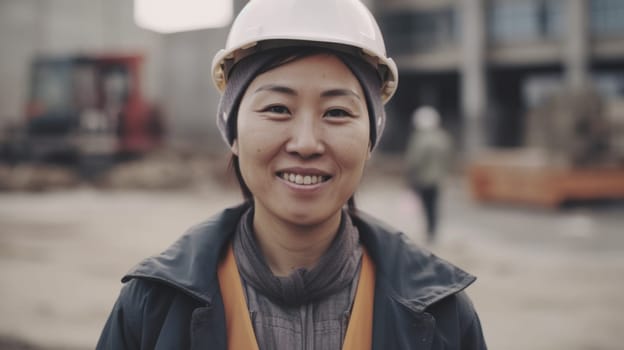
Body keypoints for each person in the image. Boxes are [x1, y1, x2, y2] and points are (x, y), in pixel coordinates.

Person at [96, 0, 486, 349]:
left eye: (337, 112)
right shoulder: (153, 308)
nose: (306, 143)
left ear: (371, 138)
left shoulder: (443, 318)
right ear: (232, 132)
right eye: (277, 109)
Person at [405, 106, 453, 243]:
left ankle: (429, 231)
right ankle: (434, 230)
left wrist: (410, 177)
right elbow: (449, 157)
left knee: (426, 206)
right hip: (439, 179)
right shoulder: (443, 137)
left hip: (423, 179)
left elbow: (414, 160)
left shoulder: (419, 138)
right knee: (435, 205)